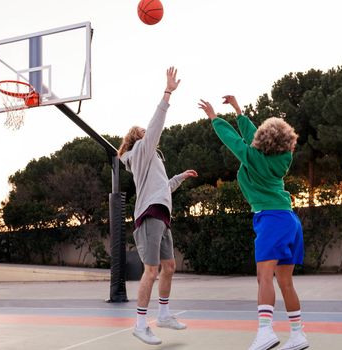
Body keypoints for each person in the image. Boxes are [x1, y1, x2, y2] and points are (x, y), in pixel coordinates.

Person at [198, 95, 308, 350]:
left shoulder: (253, 158)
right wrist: (238, 110)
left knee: (264, 277)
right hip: (288, 219)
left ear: (263, 141)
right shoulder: (282, 159)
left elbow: (235, 141)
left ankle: (265, 331)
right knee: (285, 281)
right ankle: (298, 334)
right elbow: (250, 136)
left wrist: (215, 119)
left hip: (271, 219)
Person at [118, 67, 198, 346]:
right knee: (151, 271)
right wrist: (167, 93)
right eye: (143, 131)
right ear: (137, 137)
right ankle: (140, 324)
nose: (147, 131)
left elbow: (162, 187)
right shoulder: (139, 152)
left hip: (161, 214)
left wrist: (180, 177)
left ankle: (163, 314)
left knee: (170, 266)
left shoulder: (152, 160)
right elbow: (155, 126)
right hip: (149, 215)